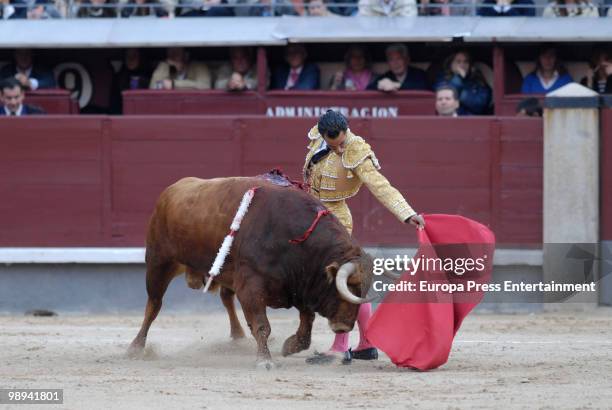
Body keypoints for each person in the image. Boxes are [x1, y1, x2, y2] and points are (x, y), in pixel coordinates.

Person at [302, 110, 425, 365]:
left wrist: (407, 213)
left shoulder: (356, 150)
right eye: (333, 144)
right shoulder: (317, 137)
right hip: (313, 211)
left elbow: (381, 186)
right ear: (323, 134)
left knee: (341, 279)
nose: (339, 148)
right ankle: (367, 343)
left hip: (335, 219)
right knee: (346, 278)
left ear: (346, 130)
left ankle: (340, 347)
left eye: (342, 142)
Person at [433, 50, 491, 115]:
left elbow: (480, 105)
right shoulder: (442, 79)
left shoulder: (478, 81)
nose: (462, 65)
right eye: (458, 62)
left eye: (466, 62)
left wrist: (461, 93)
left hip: (471, 121)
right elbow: (444, 97)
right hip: (448, 120)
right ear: (451, 64)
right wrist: (458, 78)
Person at [110, 48, 152, 114]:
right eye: (128, 56)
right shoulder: (119, 78)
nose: (131, 59)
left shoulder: (149, 76)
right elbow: (114, 104)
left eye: (134, 56)